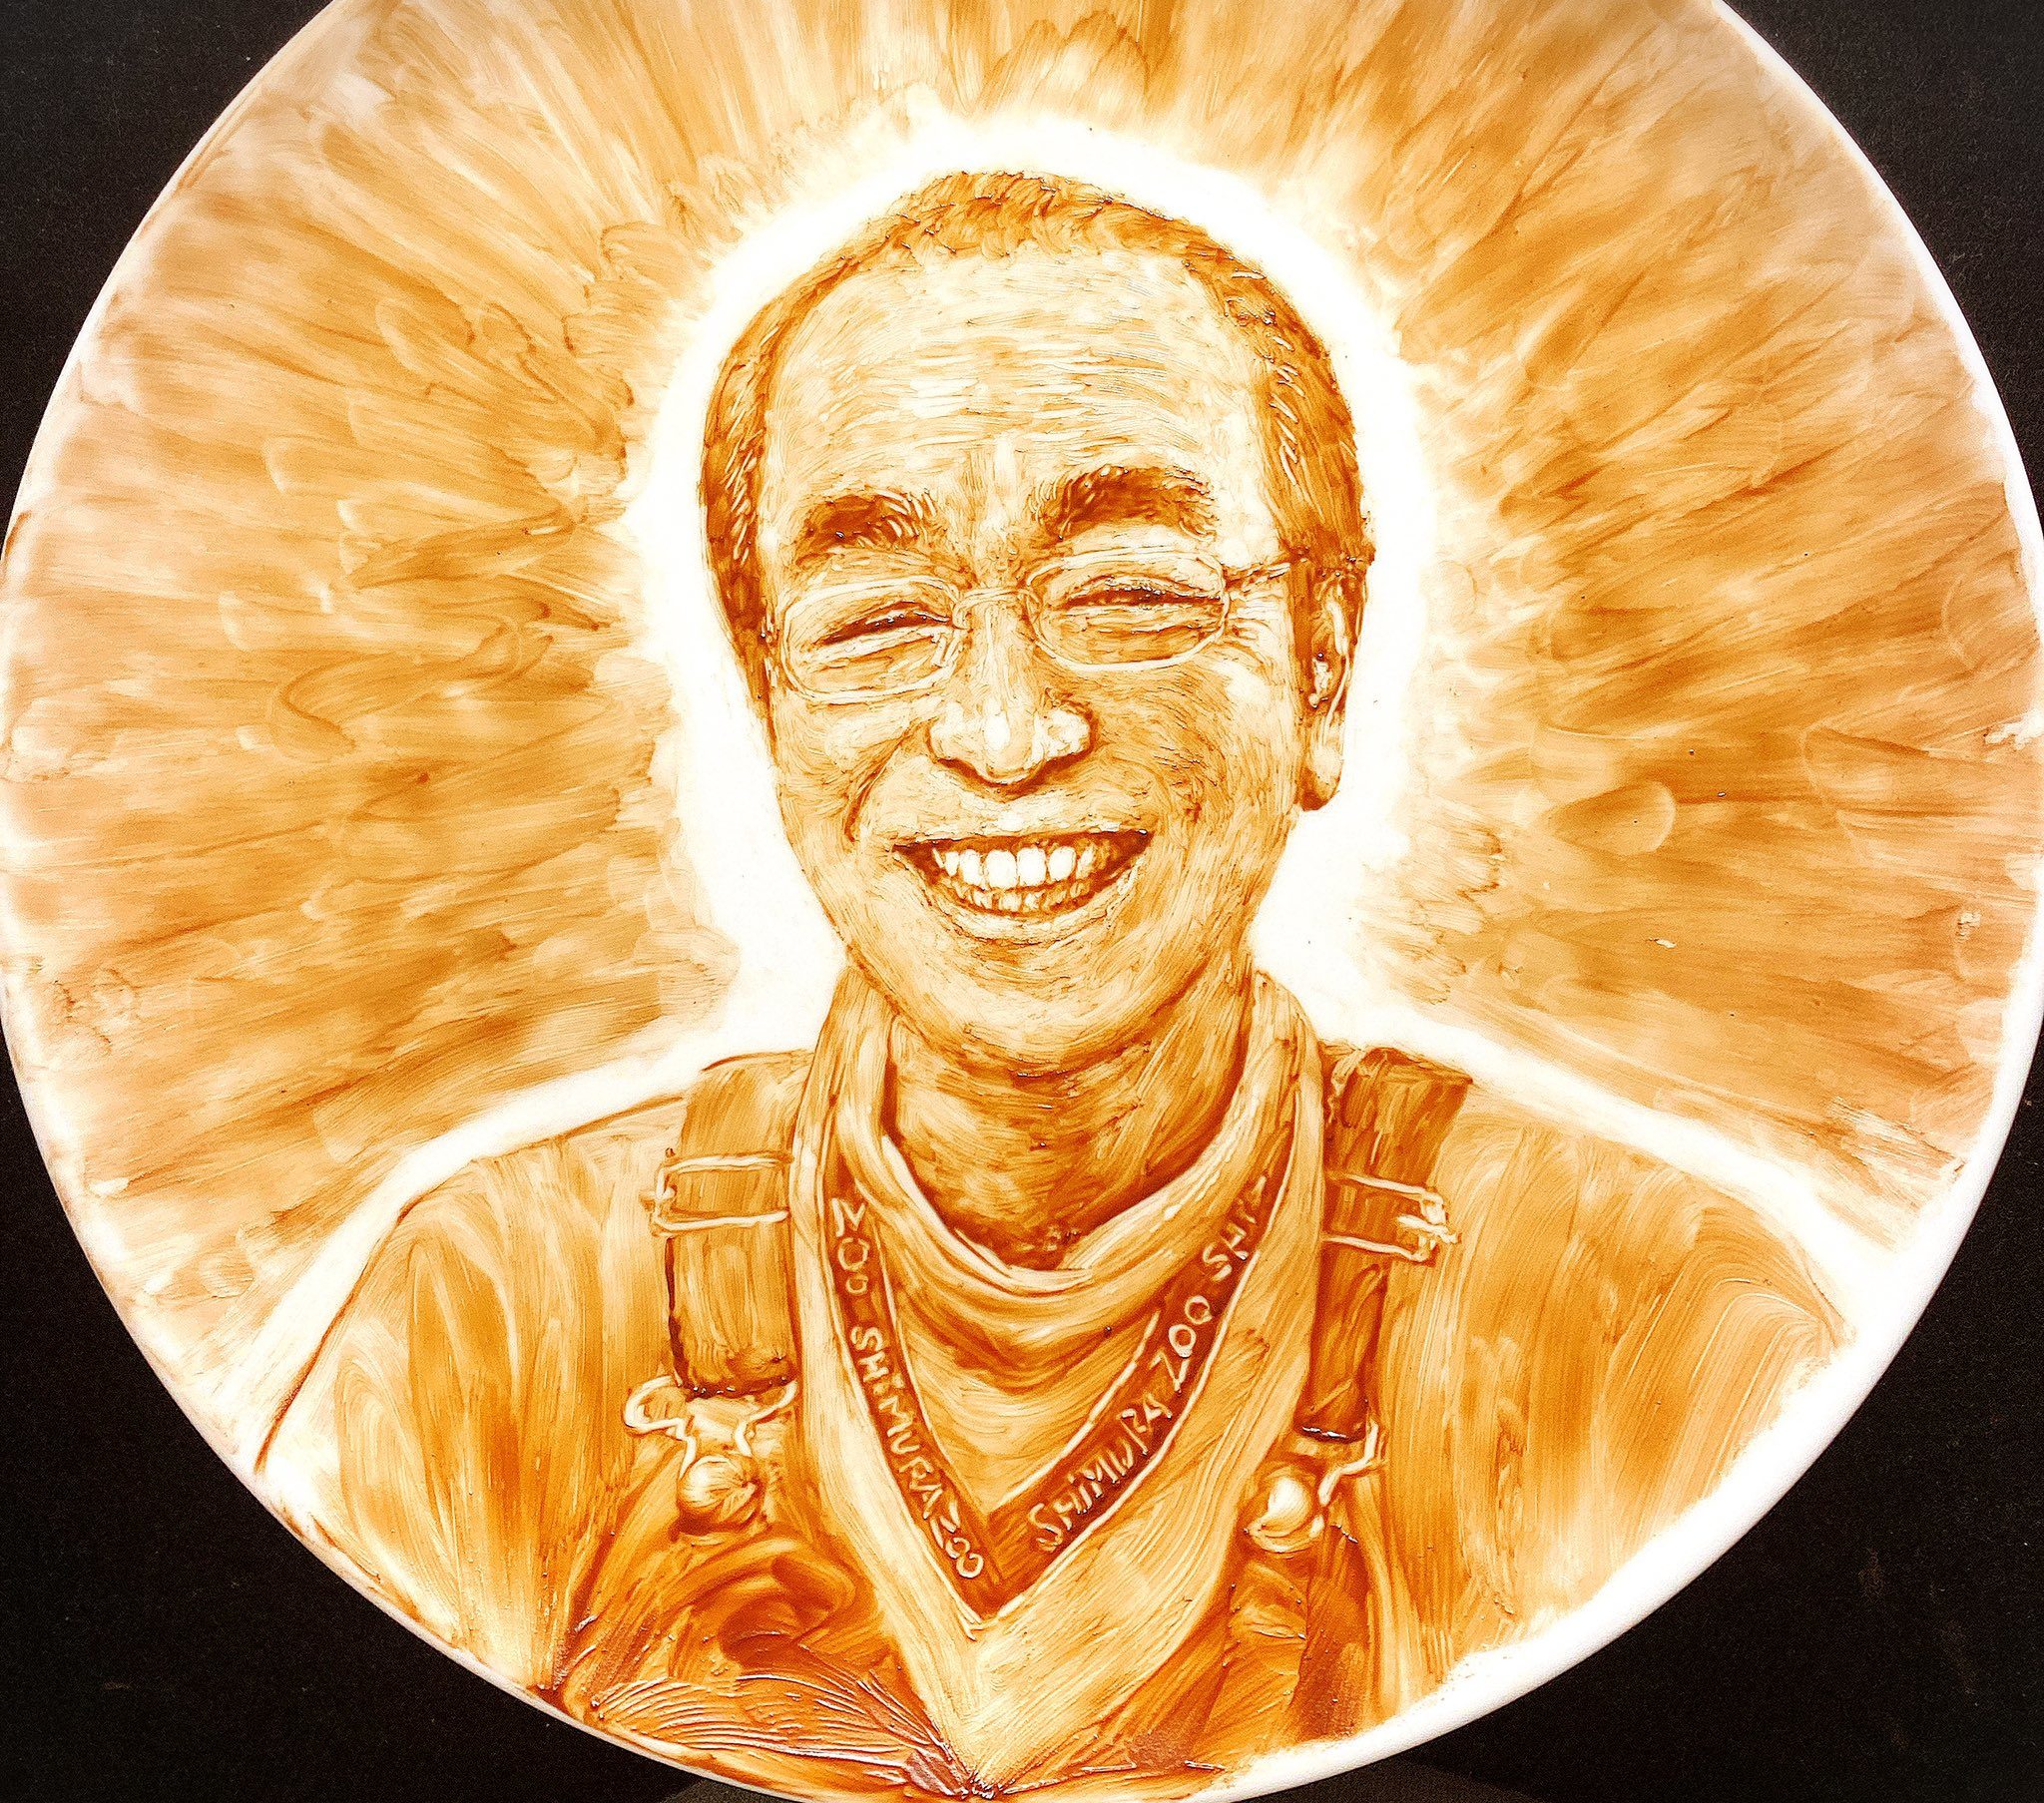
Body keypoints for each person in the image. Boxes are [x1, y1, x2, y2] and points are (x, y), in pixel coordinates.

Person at [261, 172, 1839, 1798]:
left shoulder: (1635, 1323)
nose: (1004, 732)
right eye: (878, 619)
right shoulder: (500, 1314)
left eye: (1134, 592)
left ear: (1321, 669)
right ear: (769, 703)